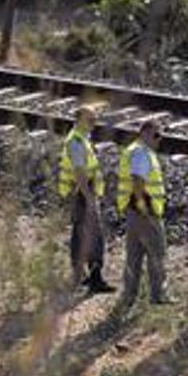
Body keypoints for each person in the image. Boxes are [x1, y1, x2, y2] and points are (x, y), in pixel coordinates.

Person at [58, 106, 115, 293]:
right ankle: (94, 277)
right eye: (90, 120)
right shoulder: (76, 142)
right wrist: (89, 198)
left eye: (94, 120)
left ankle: (79, 275)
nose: (93, 124)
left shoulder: (81, 139)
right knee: (94, 234)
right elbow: (79, 172)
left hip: (81, 192)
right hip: (82, 192)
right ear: (79, 119)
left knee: (80, 233)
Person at [116, 120, 171, 306]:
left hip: (133, 211)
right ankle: (158, 296)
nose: (158, 140)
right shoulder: (141, 153)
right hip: (144, 212)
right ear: (144, 134)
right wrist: (145, 209)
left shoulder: (135, 150)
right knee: (157, 252)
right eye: (156, 135)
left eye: (160, 136)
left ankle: (128, 297)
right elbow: (138, 180)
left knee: (134, 256)